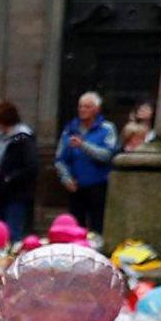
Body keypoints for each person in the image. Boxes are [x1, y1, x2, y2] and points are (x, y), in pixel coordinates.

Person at [53, 91, 120, 236]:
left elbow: (107, 155)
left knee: (97, 226)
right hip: (76, 186)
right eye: (81, 106)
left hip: (98, 185)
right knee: (76, 227)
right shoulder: (70, 129)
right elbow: (60, 158)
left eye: (87, 107)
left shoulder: (107, 129)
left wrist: (83, 145)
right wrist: (66, 178)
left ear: (96, 109)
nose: (82, 110)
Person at [0, 99, 40, 238]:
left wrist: (10, 177)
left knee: (13, 233)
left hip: (15, 195)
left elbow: (32, 167)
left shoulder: (23, 139)